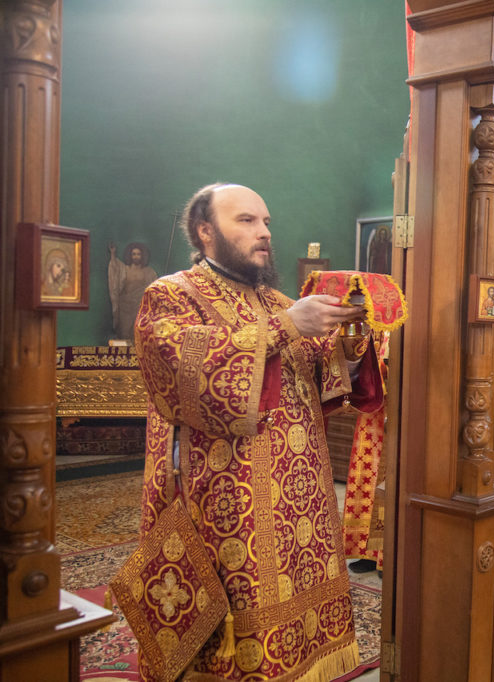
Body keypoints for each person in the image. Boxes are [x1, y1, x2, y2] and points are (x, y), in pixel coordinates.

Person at [133, 183, 384, 681]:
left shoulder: (276, 300)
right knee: (240, 610)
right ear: (205, 231)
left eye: (266, 221)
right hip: (228, 497)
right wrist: (286, 326)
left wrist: (351, 339)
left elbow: (321, 375)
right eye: (246, 221)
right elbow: (186, 371)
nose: (264, 232)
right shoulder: (172, 295)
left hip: (301, 496)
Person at [108, 241, 158, 340]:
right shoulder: (124, 269)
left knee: (137, 332)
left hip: (140, 307)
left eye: (138, 254)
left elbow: (154, 288)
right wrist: (113, 254)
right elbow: (114, 269)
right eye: (133, 254)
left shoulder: (149, 272)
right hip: (125, 306)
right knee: (124, 332)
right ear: (130, 256)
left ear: (142, 256)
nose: (136, 256)